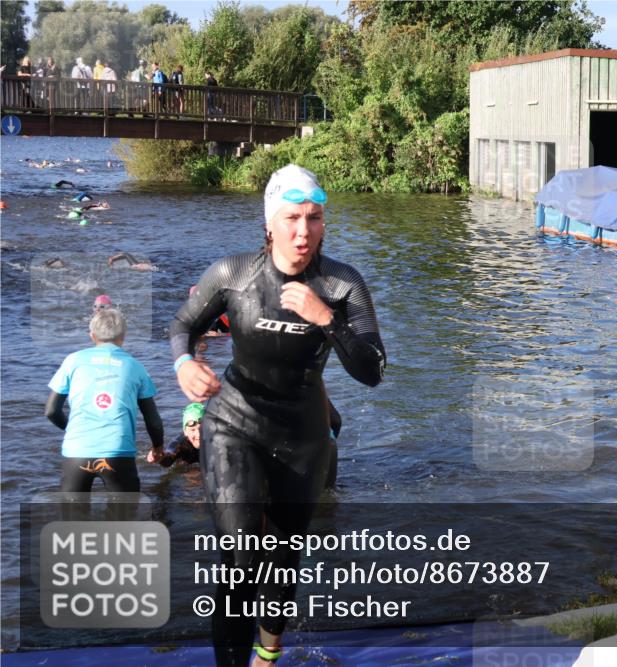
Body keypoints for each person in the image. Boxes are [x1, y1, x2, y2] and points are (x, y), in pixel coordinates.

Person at [170, 164, 385, 666]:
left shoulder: (341, 284)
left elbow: (372, 371)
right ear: (270, 223)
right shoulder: (234, 273)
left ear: (324, 223)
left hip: (302, 435)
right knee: (240, 558)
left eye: (313, 218)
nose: (302, 231)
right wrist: (184, 363)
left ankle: (268, 652)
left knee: (284, 561)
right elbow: (183, 322)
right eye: (291, 218)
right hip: (233, 424)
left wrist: (326, 319)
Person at [45, 308, 164, 492]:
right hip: (118, 452)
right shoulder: (135, 366)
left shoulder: (73, 361)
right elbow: (153, 420)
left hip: (76, 452)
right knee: (123, 518)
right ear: (123, 336)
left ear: (92, 335)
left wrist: (72, 430)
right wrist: (158, 447)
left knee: (74, 519)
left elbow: (51, 411)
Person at [151, 402, 204, 467]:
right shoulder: (180, 445)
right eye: (192, 430)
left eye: (202, 429)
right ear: (185, 432)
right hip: (188, 469)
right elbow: (168, 458)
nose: (198, 434)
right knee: (193, 473)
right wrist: (159, 456)